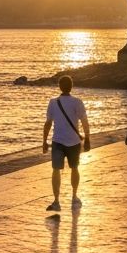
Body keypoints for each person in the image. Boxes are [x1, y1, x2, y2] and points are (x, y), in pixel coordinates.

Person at [42, 74, 91, 211]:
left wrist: (44, 141)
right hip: (74, 142)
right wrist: (87, 138)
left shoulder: (53, 102)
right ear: (71, 86)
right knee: (74, 168)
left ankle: (56, 201)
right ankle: (74, 196)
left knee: (56, 170)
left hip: (57, 141)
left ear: (59, 87)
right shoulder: (77, 102)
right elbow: (84, 122)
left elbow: (48, 123)